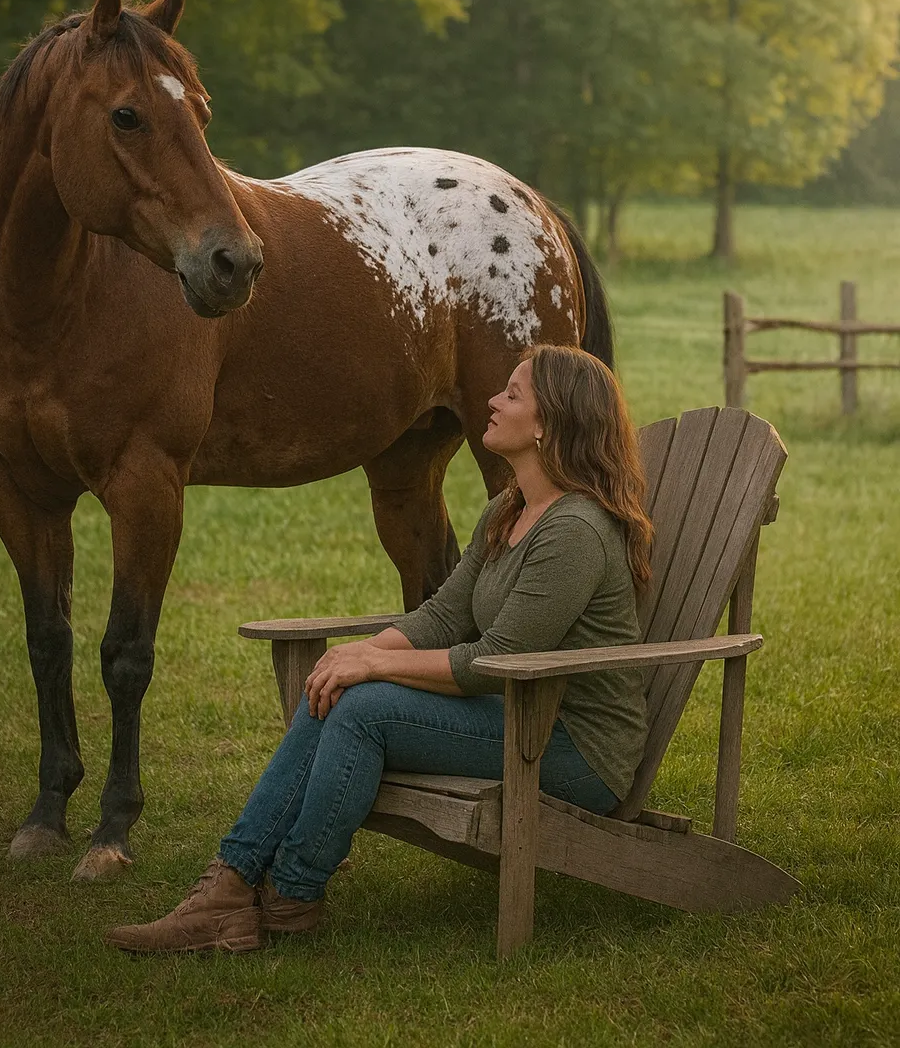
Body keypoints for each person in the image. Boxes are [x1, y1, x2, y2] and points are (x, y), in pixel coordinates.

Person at [105, 343, 652, 955]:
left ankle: (286, 892)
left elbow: (494, 661)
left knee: (365, 709)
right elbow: (445, 615)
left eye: (513, 394)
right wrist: (355, 655)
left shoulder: (575, 530)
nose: (492, 401)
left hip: (574, 747)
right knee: (349, 689)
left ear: (548, 424)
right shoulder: (510, 508)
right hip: (523, 717)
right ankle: (235, 891)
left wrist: (373, 663)